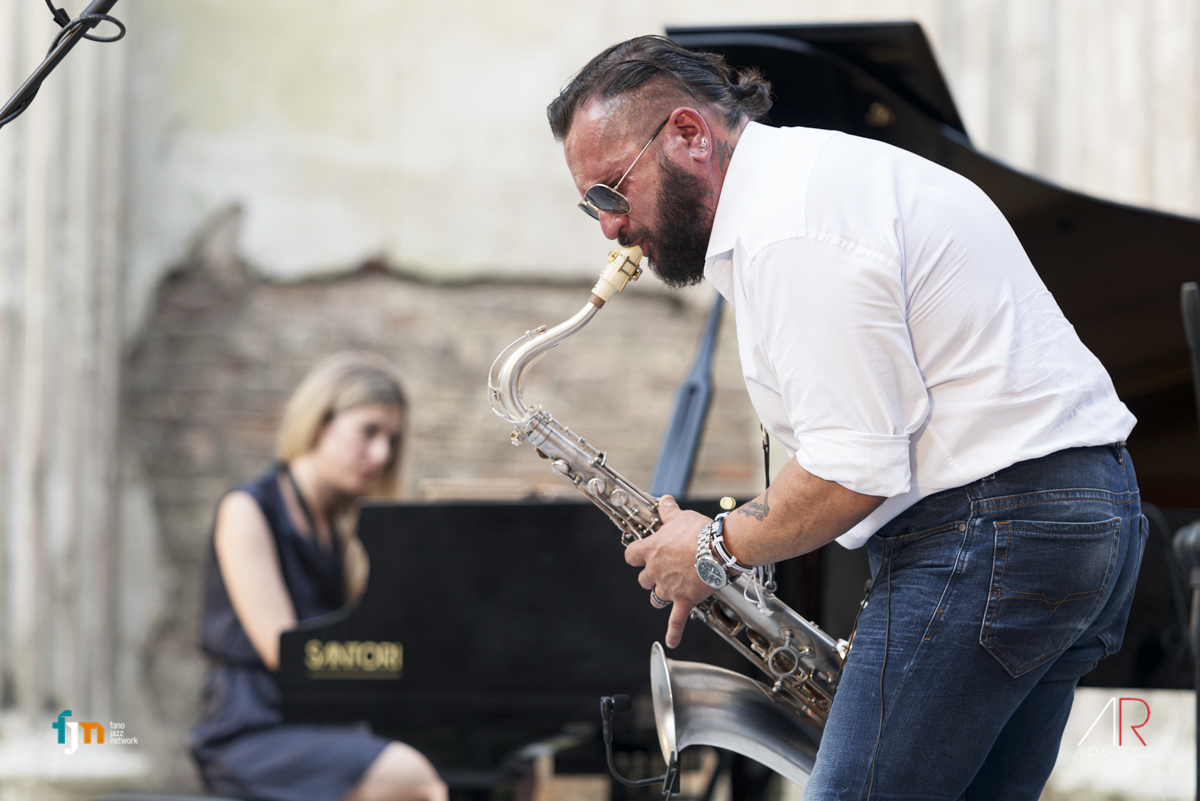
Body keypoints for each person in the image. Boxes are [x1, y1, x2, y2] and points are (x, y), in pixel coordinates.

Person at [547, 36, 1146, 800]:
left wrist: (711, 545)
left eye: (609, 192)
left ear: (691, 137)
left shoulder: (791, 227)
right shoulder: (818, 182)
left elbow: (854, 468)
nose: (607, 225)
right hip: (1078, 519)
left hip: (990, 530)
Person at [191, 352, 447, 801]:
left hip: (318, 724)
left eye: (391, 439)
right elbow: (285, 653)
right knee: (413, 777)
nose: (382, 454)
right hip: (252, 732)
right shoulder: (247, 510)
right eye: (368, 432)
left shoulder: (343, 526)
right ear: (318, 422)